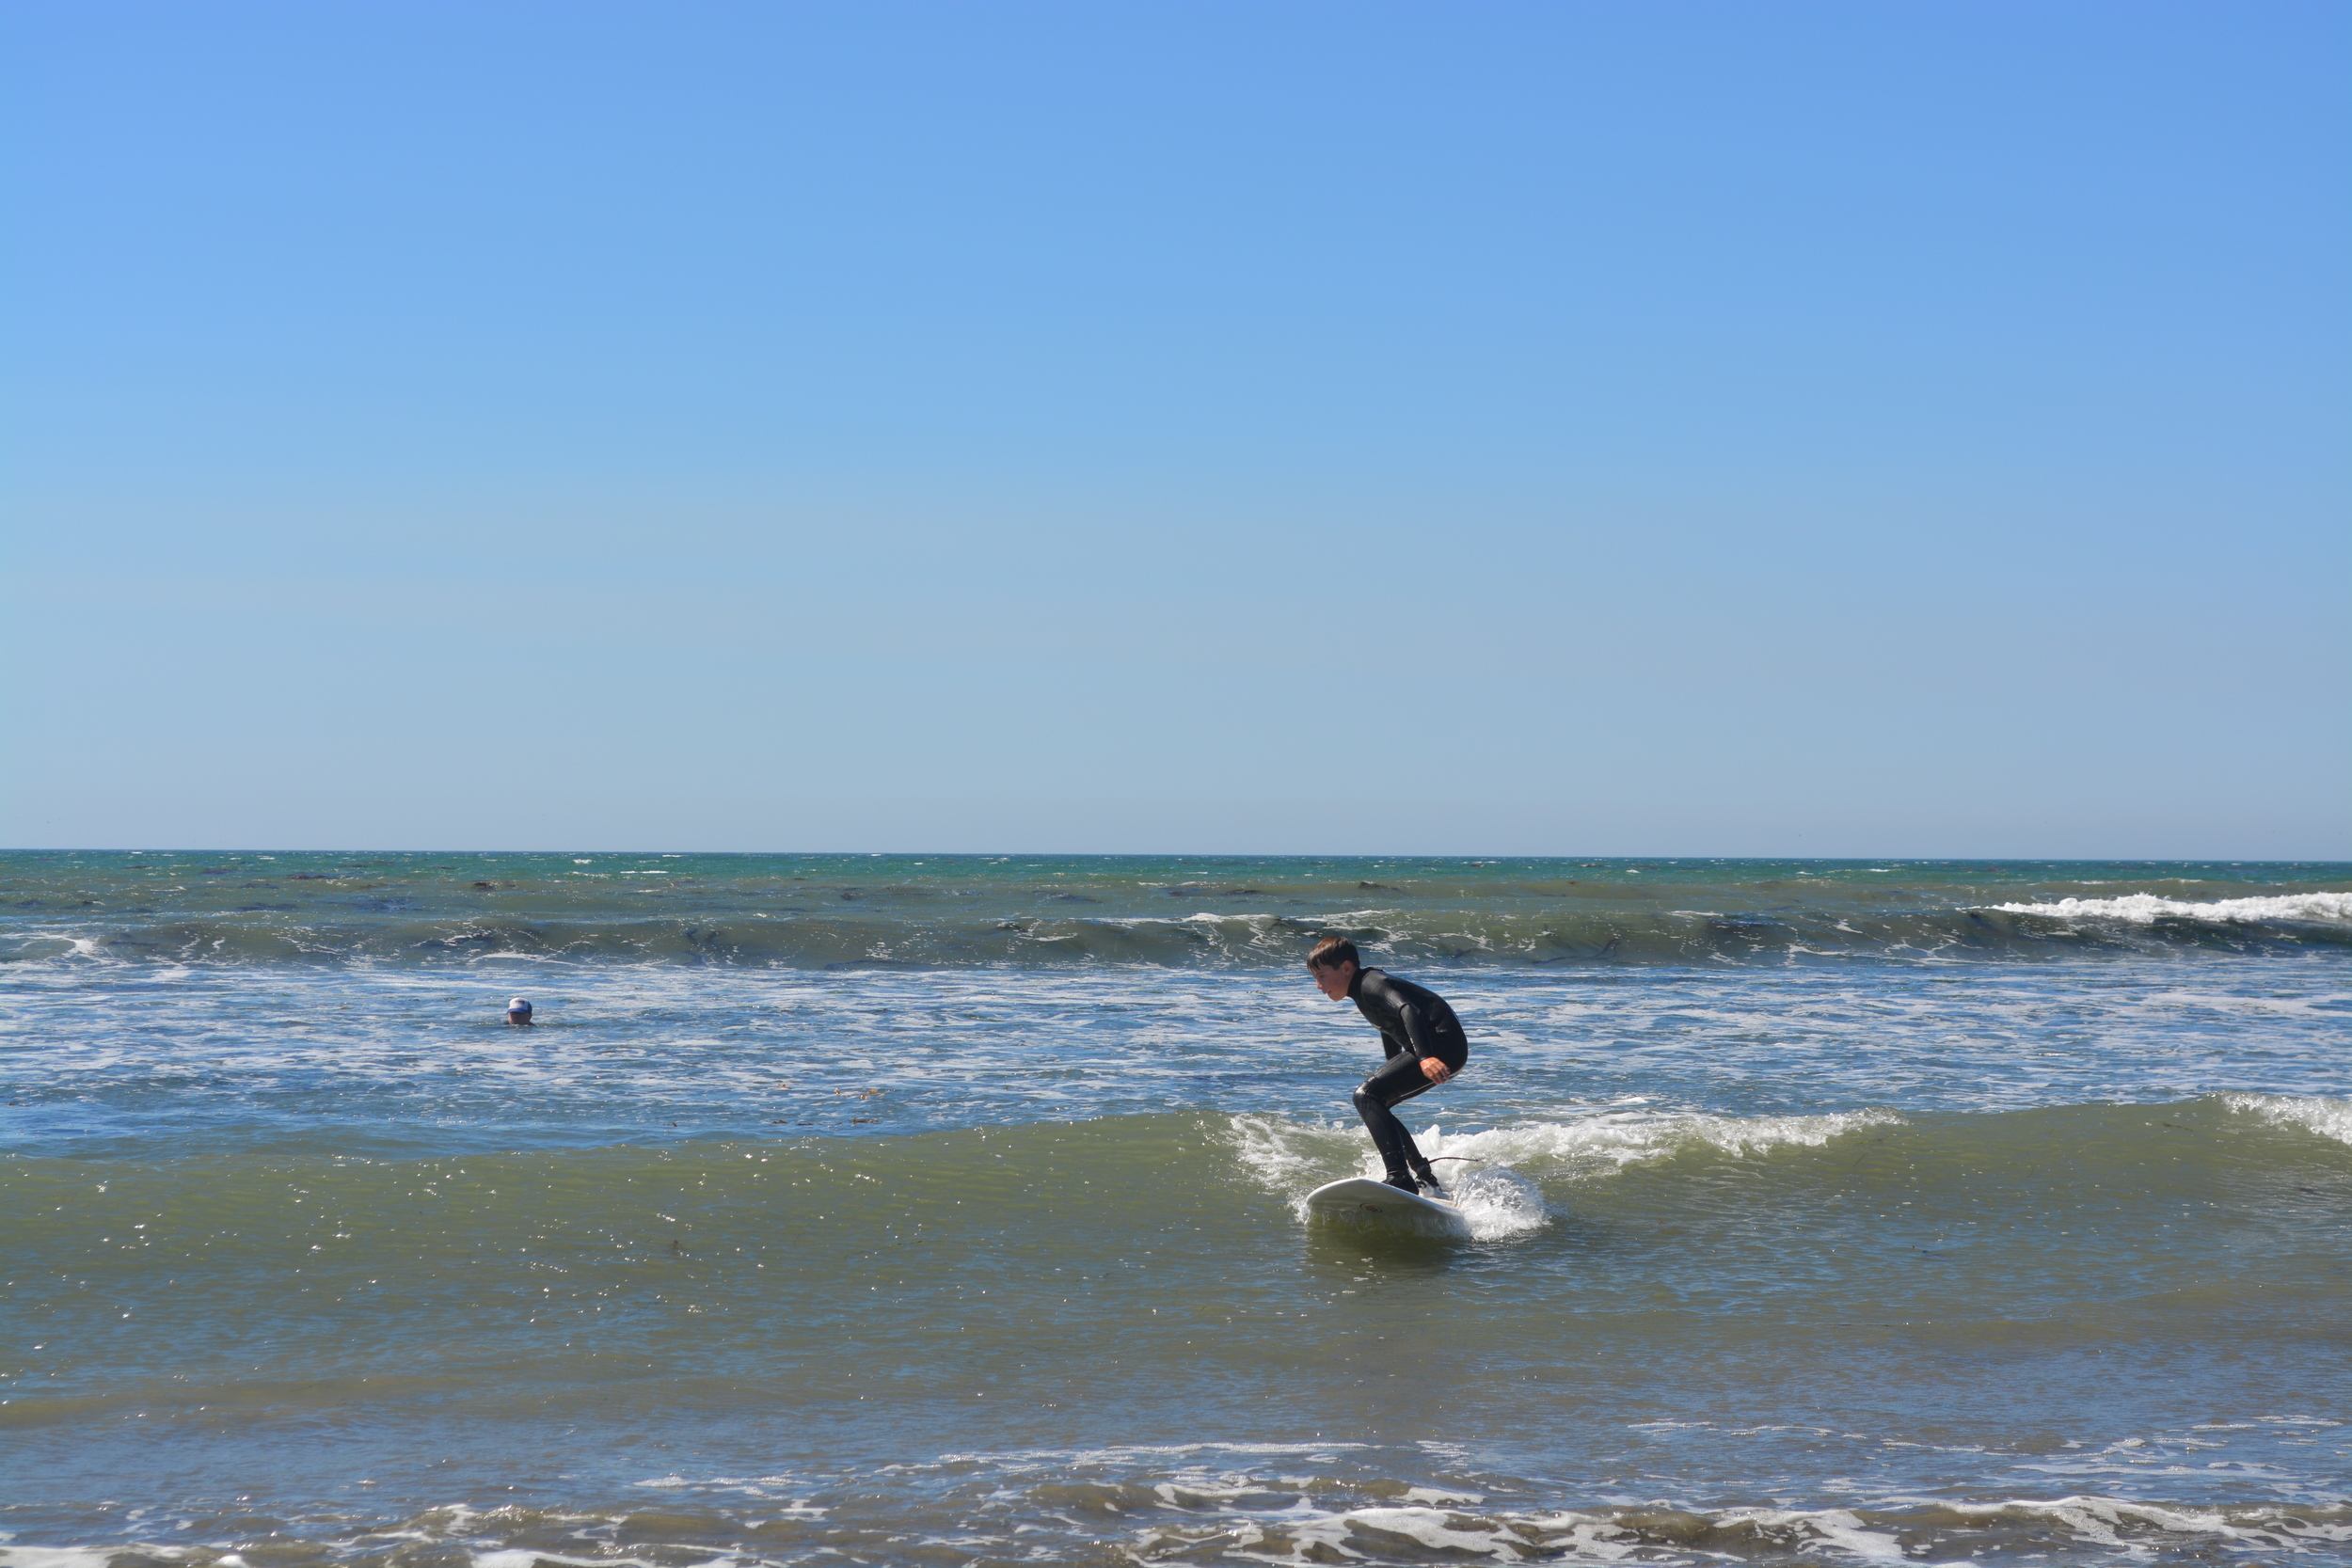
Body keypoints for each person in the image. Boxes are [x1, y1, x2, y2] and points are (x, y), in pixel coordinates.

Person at [1306, 935, 1468, 1196]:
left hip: (1441, 1046)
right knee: (1378, 1103)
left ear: (1346, 969)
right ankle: (1423, 1175)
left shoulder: (1372, 983)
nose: (1318, 985)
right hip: (1442, 1047)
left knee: (1366, 1096)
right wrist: (1393, 1063)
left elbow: (1407, 1010)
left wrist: (1425, 1057)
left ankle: (1399, 1177)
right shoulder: (1361, 990)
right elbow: (1388, 1025)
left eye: (1322, 976)